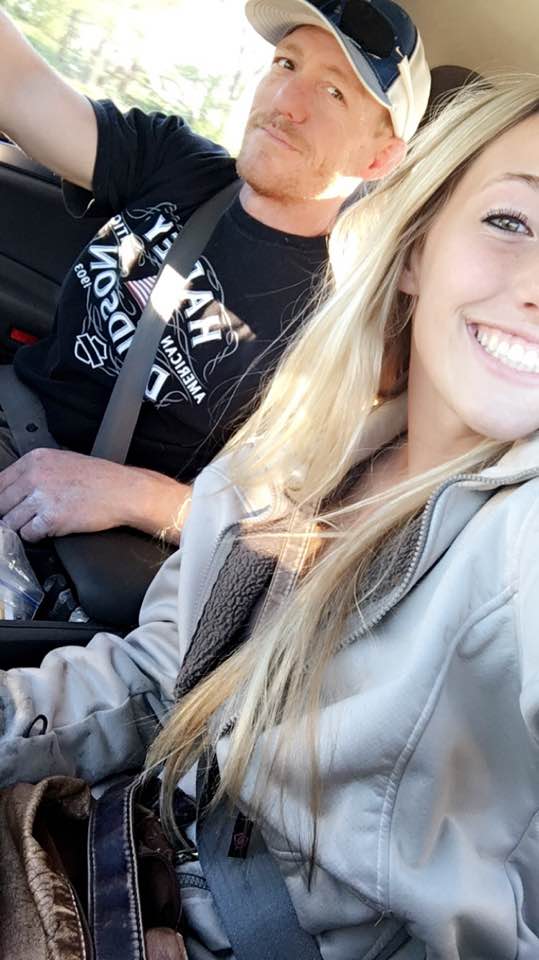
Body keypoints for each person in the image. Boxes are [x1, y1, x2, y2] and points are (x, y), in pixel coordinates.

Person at [2, 70, 539, 956]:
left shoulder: (517, 537)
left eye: (338, 90)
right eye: (510, 222)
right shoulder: (298, 447)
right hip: (117, 856)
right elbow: (163, 682)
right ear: (414, 250)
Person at [0, 0, 429, 546]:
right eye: (287, 63)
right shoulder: (175, 163)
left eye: (333, 92)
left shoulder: (343, 320)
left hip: (72, 533)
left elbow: (294, 536)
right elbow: (22, 90)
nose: (285, 101)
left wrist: (134, 495)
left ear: (379, 160)